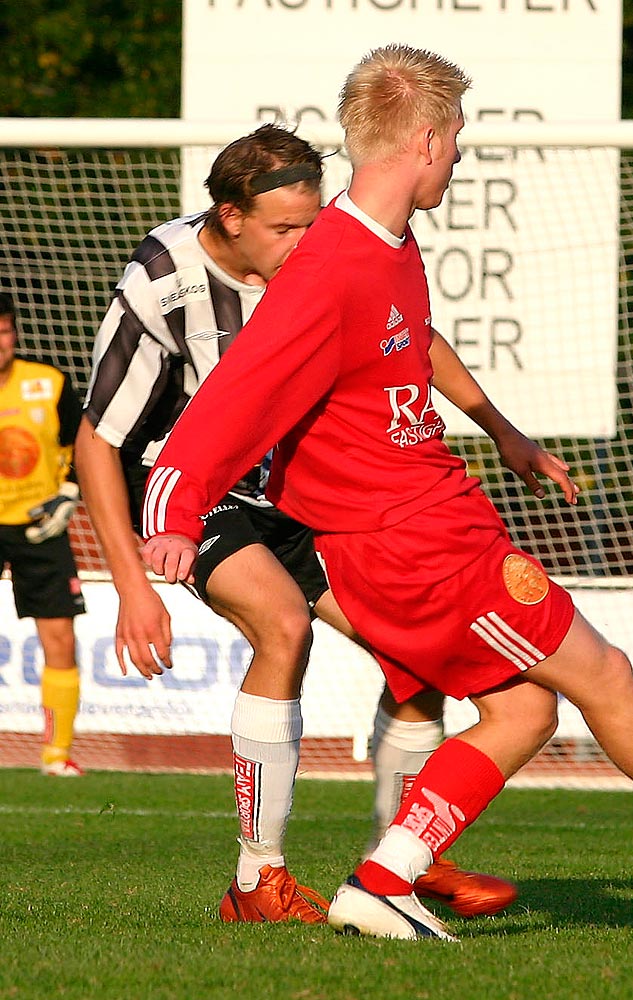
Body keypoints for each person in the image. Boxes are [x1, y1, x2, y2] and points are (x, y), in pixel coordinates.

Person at [140, 44, 633, 941]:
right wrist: (172, 512)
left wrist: (503, 433)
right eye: (458, 140)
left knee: (524, 707)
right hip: (412, 541)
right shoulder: (329, 267)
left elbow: (405, 349)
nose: (460, 156)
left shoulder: (388, 244)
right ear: (429, 140)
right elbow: (231, 399)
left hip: (431, 522)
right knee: (600, 671)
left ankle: (386, 875)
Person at [77, 124, 546, 925]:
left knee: (417, 655)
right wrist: (133, 587)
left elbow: (411, 336)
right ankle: (258, 879)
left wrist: (499, 427)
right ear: (230, 216)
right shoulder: (161, 276)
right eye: (283, 228)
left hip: (300, 489)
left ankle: (401, 864)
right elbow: (98, 439)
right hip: (197, 490)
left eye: (310, 221)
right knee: (283, 626)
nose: (303, 242)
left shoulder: (334, 252)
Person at [0, 292, 87, 777]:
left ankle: (57, 754)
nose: (1, 341)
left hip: (40, 526)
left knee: (59, 638)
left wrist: (69, 490)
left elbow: (81, 441)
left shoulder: (48, 382)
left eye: (5, 330)